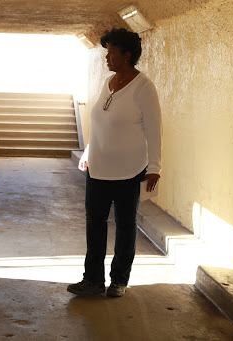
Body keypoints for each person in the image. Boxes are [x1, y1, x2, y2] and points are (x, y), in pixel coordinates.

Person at [67, 28, 162, 297]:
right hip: (98, 168)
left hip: (129, 172)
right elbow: (99, 123)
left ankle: (119, 280)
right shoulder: (108, 83)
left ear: (127, 55)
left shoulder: (144, 87)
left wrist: (154, 167)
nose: (107, 57)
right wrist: (88, 153)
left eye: (111, 52)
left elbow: (155, 130)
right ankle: (93, 279)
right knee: (94, 224)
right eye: (106, 51)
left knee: (125, 225)